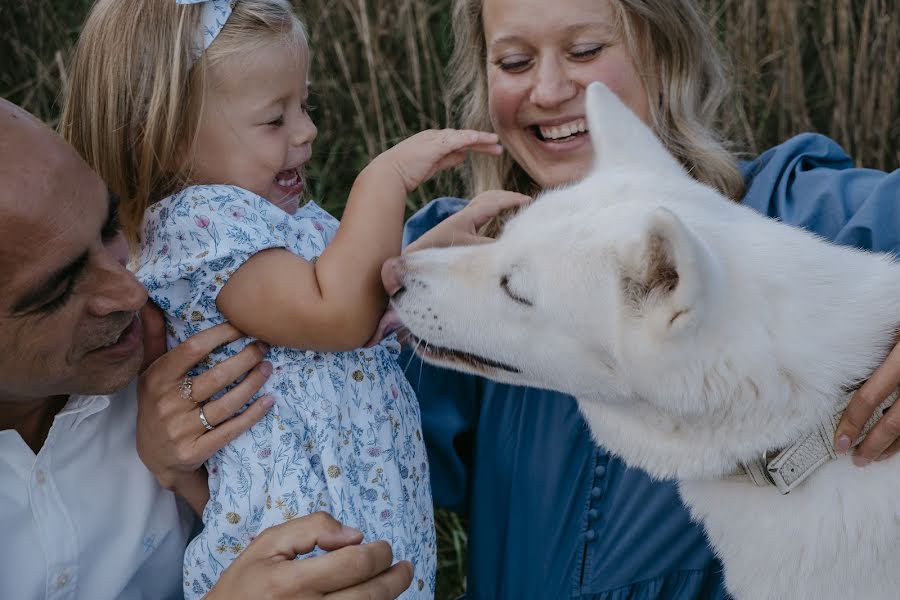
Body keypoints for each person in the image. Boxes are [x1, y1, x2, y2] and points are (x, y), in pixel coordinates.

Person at [395, 0, 900, 598]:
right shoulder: (446, 258)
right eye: (513, 60)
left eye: (585, 51)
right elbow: (332, 461)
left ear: (664, 53)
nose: (551, 88)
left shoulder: (809, 213)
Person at [58, 0, 520, 598]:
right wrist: (384, 178)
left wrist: (431, 252)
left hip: (346, 526)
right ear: (169, 141)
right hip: (294, 558)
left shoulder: (276, 223)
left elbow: (348, 312)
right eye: (275, 119)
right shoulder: (201, 227)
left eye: (304, 105)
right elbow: (336, 316)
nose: (307, 131)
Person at [0, 99, 414, 599]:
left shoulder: (184, 331)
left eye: (110, 229)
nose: (130, 291)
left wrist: (181, 477)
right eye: (59, 289)